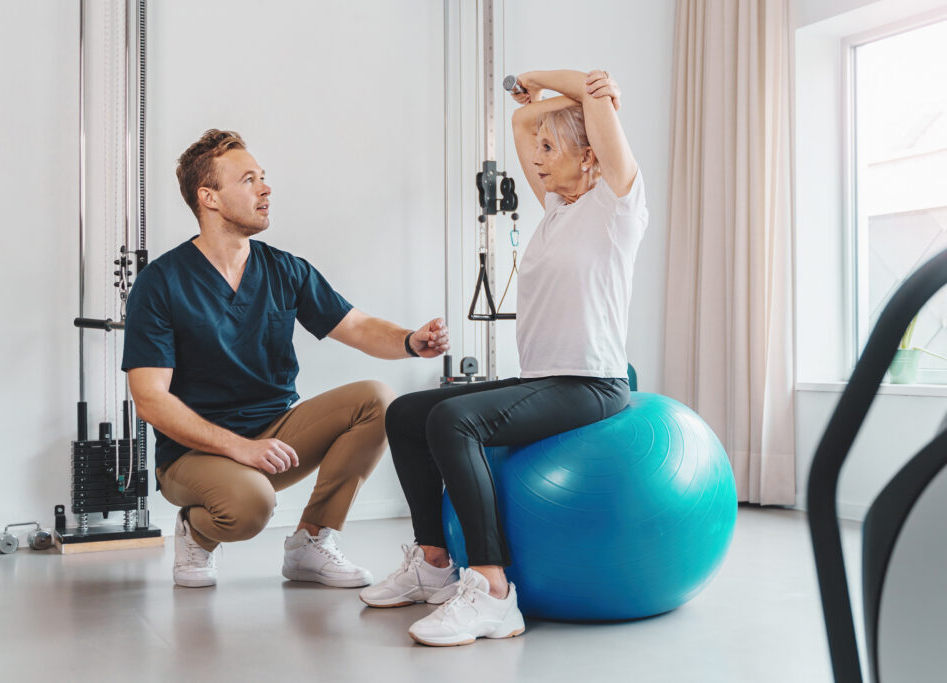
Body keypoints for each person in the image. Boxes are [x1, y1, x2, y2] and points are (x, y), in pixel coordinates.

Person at [360, 69, 648, 647]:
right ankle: (435, 566)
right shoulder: (554, 209)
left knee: (453, 420)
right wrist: (539, 104)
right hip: (542, 377)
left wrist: (550, 83)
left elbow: (592, 100)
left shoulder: (618, 206)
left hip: (592, 383)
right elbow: (521, 120)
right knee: (407, 413)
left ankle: (493, 593)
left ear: (590, 155)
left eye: (552, 148)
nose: (536, 158)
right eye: (538, 150)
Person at [122, 129, 449, 589]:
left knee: (378, 400)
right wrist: (239, 448)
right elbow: (150, 399)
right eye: (249, 179)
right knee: (250, 506)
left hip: (274, 437)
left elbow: (355, 326)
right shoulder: (161, 282)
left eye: (263, 177)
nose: (266, 188)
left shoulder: (283, 269)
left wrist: (410, 340)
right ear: (208, 197)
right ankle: (194, 532)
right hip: (191, 455)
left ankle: (311, 544)